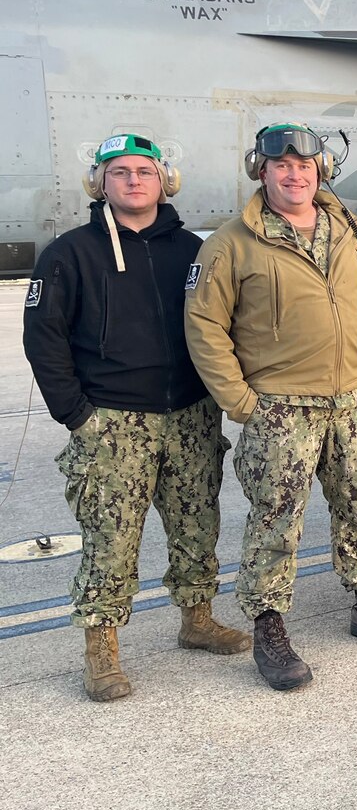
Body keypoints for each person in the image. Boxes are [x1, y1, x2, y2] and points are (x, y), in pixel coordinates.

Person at [23, 133, 249, 702]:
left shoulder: (192, 250)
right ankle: (101, 650)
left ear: (163, 180)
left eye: (143, 172)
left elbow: (221, 322)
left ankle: (197, 619)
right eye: (119, 172)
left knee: (198, 524)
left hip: (191, 415)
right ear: (100, 183)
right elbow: (43, 340)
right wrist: (77, 415)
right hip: (113, 420)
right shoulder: (68, 252)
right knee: (111, 539)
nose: (132, 181)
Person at [186, 123, 357, 691]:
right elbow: (205, 327)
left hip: (353, 398)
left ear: (320, 172)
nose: (294, 174)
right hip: (282, 408)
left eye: (304, 166)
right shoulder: (232, 243)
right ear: (260, 171)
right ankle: (269, 628)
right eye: (281, 165)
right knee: (275, 522)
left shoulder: (349, 231)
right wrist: (239, 401)